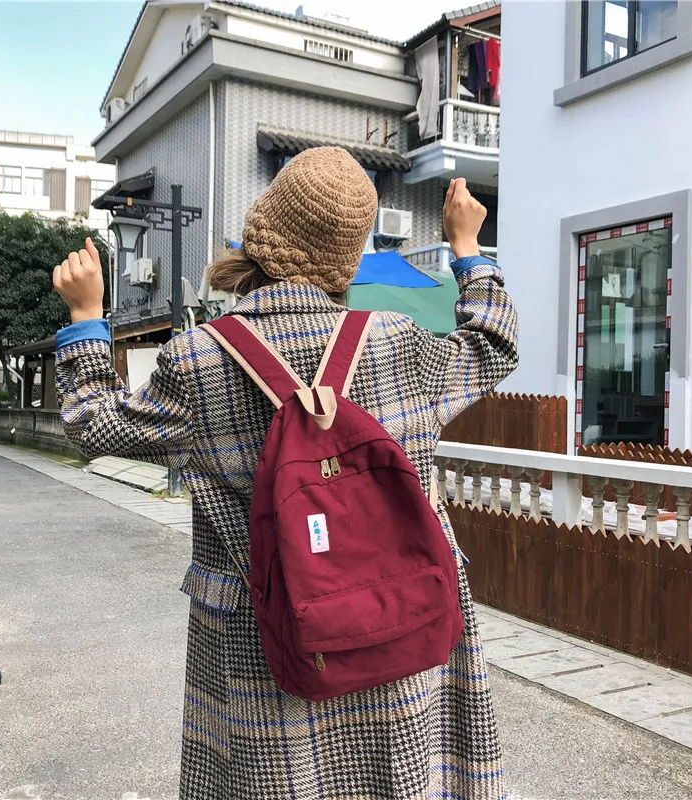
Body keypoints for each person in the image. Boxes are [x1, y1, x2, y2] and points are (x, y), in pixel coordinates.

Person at [53, 147, 518, 800]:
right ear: (349, 257)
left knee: (280, 782)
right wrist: (467, 248)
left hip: (265, 641)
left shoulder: (198, 361)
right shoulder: (400, 342)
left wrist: (85, 320)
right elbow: (494, 343)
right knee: (404, 778)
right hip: (399, 622)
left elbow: (94, 424)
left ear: (262, 230)